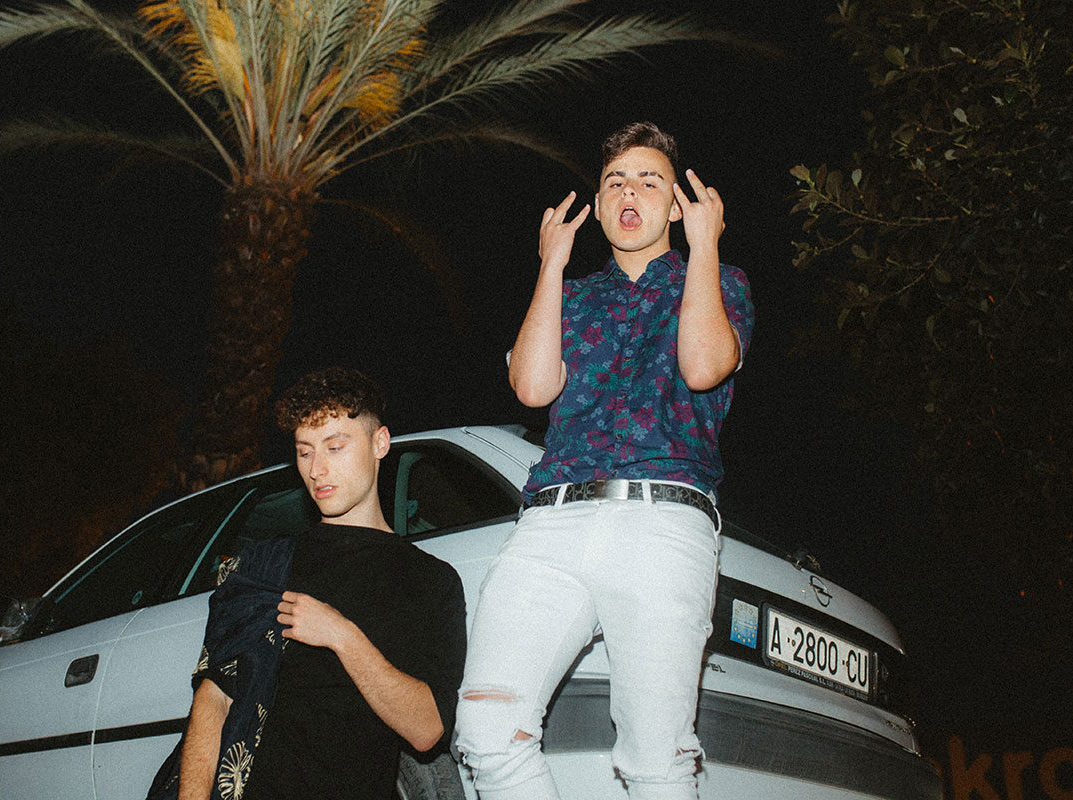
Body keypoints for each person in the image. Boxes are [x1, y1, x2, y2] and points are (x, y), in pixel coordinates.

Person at [454, 121, 753, 799]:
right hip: (552, 521)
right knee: (487, 731)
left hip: (662, 520)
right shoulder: (573, 295)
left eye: (650, 181)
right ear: (597, 202)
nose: (630, 192)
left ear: (675, 205)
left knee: (655, 758)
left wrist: (705, 246)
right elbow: (532, 388)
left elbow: (703, 366)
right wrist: (550, 265)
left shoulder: (719, 281)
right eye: (616, 181)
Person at [164, 367, 466, 800]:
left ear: (380, 443)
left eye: (335, 447)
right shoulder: (265, 566)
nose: (317, 469)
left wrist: (342, 636)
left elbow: (427, 730)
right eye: (304, 452)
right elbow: (214, 699)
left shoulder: (432, 580)